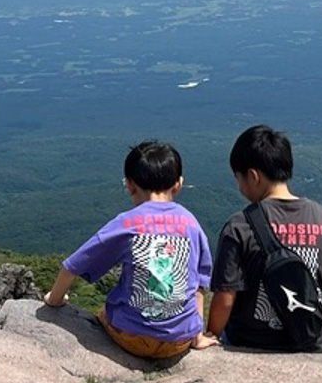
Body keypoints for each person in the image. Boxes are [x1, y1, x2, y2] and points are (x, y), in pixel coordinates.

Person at [42, 140, 217, 358]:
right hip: (179, 342)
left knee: (105, 312)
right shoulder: (191, 224)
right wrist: (197, 337)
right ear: (178, 184)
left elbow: (72, 266)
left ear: (130, 184)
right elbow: (200, 285)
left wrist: (54, 301)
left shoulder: (128, 222)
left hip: (132, 338)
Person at [206, 124, 322, 351]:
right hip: (309, 343)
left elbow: (225, 297)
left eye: (238, 178)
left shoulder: (239, 225)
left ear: (253, 176)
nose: (239, 186)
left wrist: (212, 335)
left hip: (250, 344)